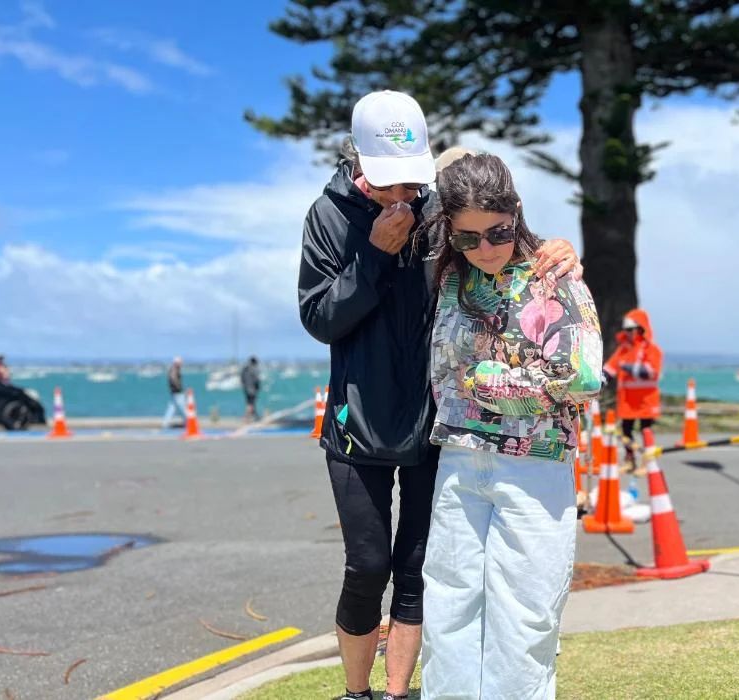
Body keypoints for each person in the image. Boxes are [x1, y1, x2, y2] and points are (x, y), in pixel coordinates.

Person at [296, 90, 580, 700]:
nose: (402, 196)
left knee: (417, 571)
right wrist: (374, 254)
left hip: (432, 421)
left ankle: (397, 691)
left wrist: (556, 251)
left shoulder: (437, 210)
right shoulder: (328, 215)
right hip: (356, 420)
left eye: (411, 183)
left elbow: (495, 251)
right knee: (366, 565)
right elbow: (319, 319)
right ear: (359, 162)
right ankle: (357, 691)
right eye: (387, 183)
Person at [420, 153, 603, 698]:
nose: (485, 249)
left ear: (516, 213)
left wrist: (488, 383)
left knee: (525, 618)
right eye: (468, 238)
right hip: (457, 459)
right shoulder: (452, 274)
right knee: (448, 611)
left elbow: (583, 375)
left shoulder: (554, 274)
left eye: (497, 232)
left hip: (534, 466)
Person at [604, 309, 664, 472]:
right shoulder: (624, 349)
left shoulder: (652, 349)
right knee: (626, 432)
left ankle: (648, 463)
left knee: (646, 432)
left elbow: (651, 372)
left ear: (640, 329)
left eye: (631, 330)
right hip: (628, 400)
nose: (628, 333)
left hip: (646, 400)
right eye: (626, 330)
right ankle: (630, 460)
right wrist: (598, 381)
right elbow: (610, 368)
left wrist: (627, 367)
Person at [161, 357, 187, 430]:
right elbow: (174, 380)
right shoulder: (174, 369)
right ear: (177, 363)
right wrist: (179, 388)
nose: (181, 364)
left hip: (174, 392)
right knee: (183, 408)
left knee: (171, 409)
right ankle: (188, 422)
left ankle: (165, 423)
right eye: (180, 362)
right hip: (177, 392)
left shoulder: (173, 369)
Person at [240, 357, 261, 422]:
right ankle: (247, 417)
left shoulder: (245, 369)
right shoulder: (253, 369)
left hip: (246, 388)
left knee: (249, 403)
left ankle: (253, 416)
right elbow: (256, 380)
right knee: (251, 403)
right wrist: (258, 387)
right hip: (252, 389)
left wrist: (244, 385)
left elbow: (242, 378)